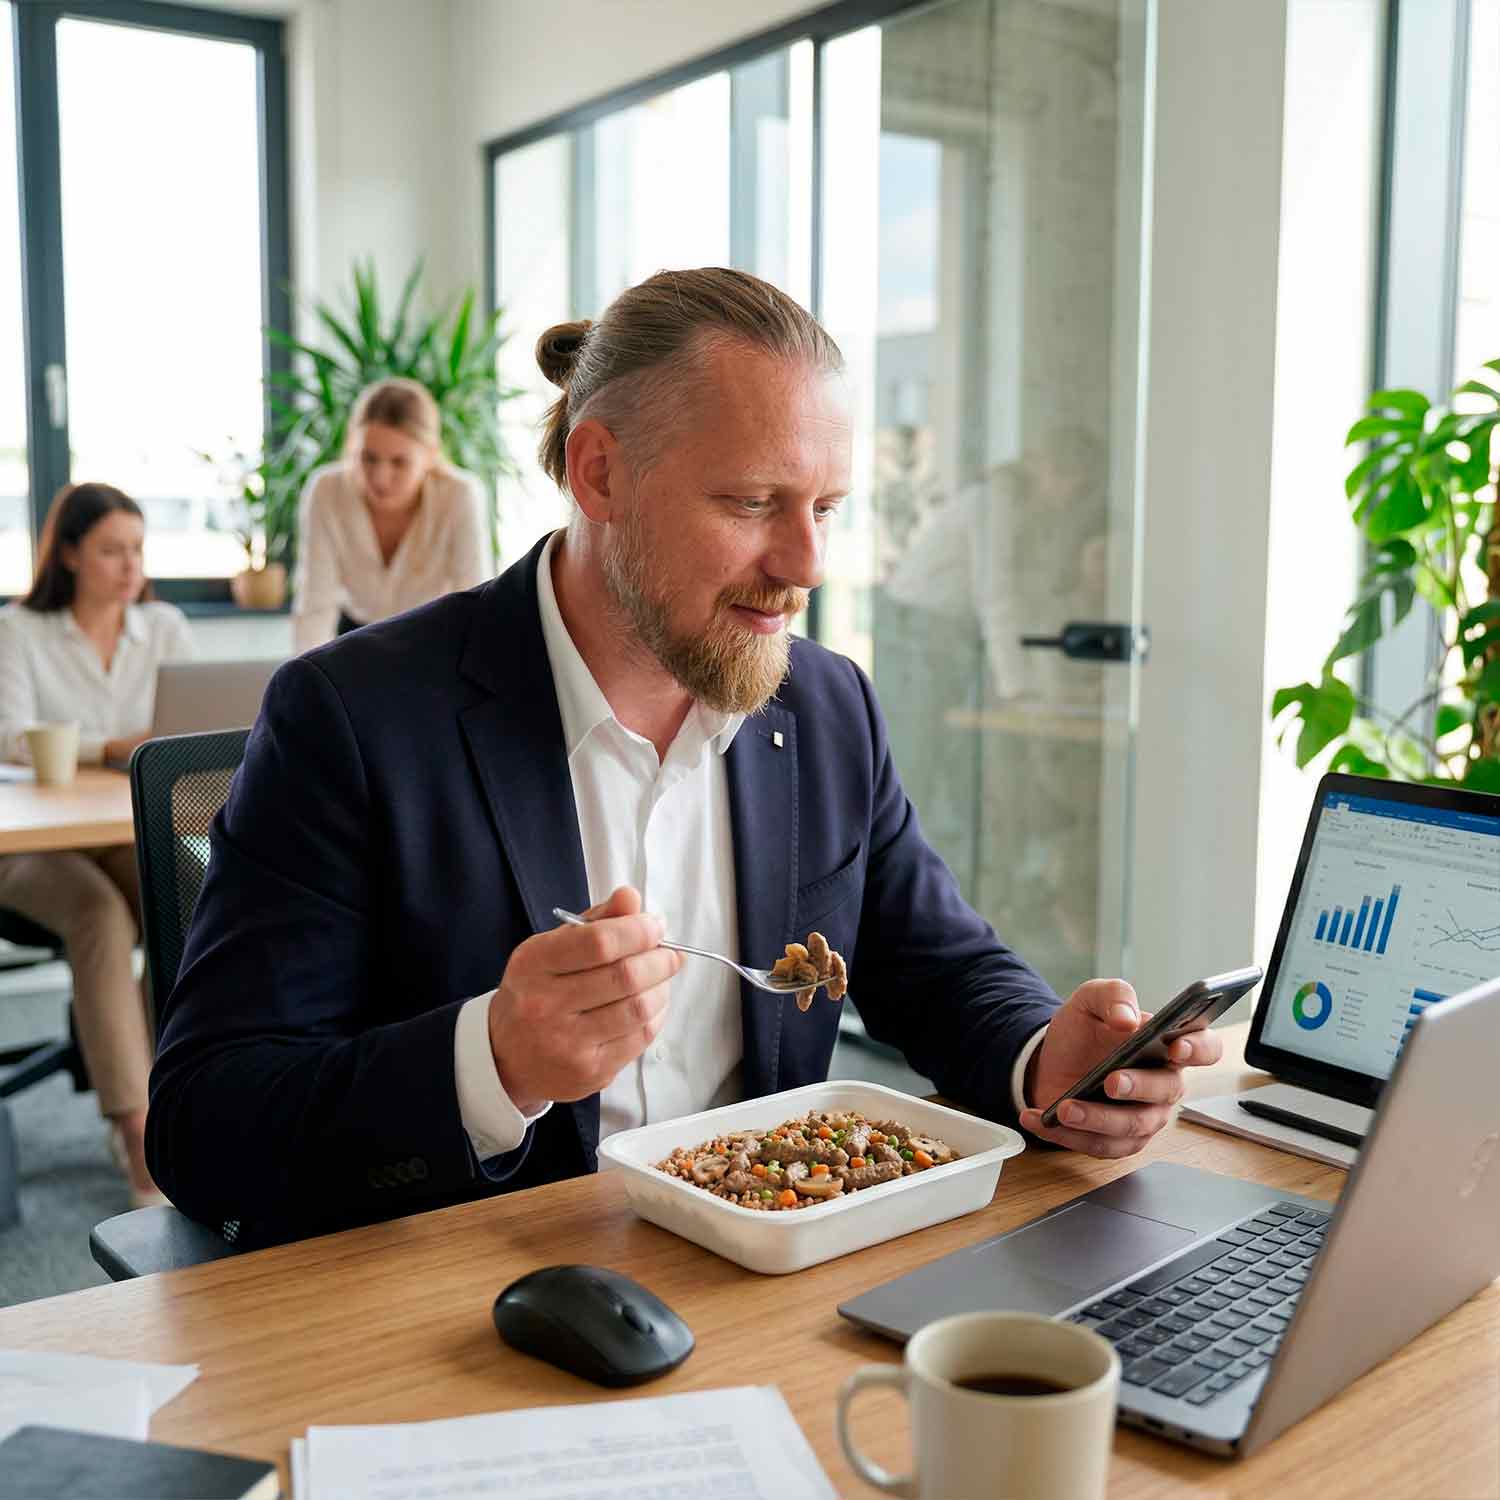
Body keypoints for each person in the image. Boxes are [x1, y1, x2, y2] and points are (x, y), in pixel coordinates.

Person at [148, 269, 1221, 1248]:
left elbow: (938, 967)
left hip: (773, 1283)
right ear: (600, 471)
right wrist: (491, 1062)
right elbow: (206, 1127)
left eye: (825, 510)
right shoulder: (352, 717)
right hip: (474, 1312)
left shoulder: (827, 702)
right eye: (752, 503)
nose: (805, 566)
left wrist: (1052, 1062)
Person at [0, 482, 194, 1207]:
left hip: (123, 829)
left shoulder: (164, 627)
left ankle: (178, 1082)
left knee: (196, 899)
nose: (129, 566)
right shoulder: (20, 630)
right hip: (28, 847)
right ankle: (139, 1128)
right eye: (112, 550)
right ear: (72, 553)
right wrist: (111, 745)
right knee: (101, 917)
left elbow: (192, 725)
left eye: (137, 550)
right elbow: (8, 736)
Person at [290, 376, 492, 651]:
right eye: (368, 458)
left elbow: (476, 604)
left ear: (430, 456)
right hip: (354, 636)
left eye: (399, 462)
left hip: (432, 637)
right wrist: (305, 689)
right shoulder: (326, 491)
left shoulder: (460, 495)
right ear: (352, 448)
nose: (381, 478)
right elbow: (315, 607)